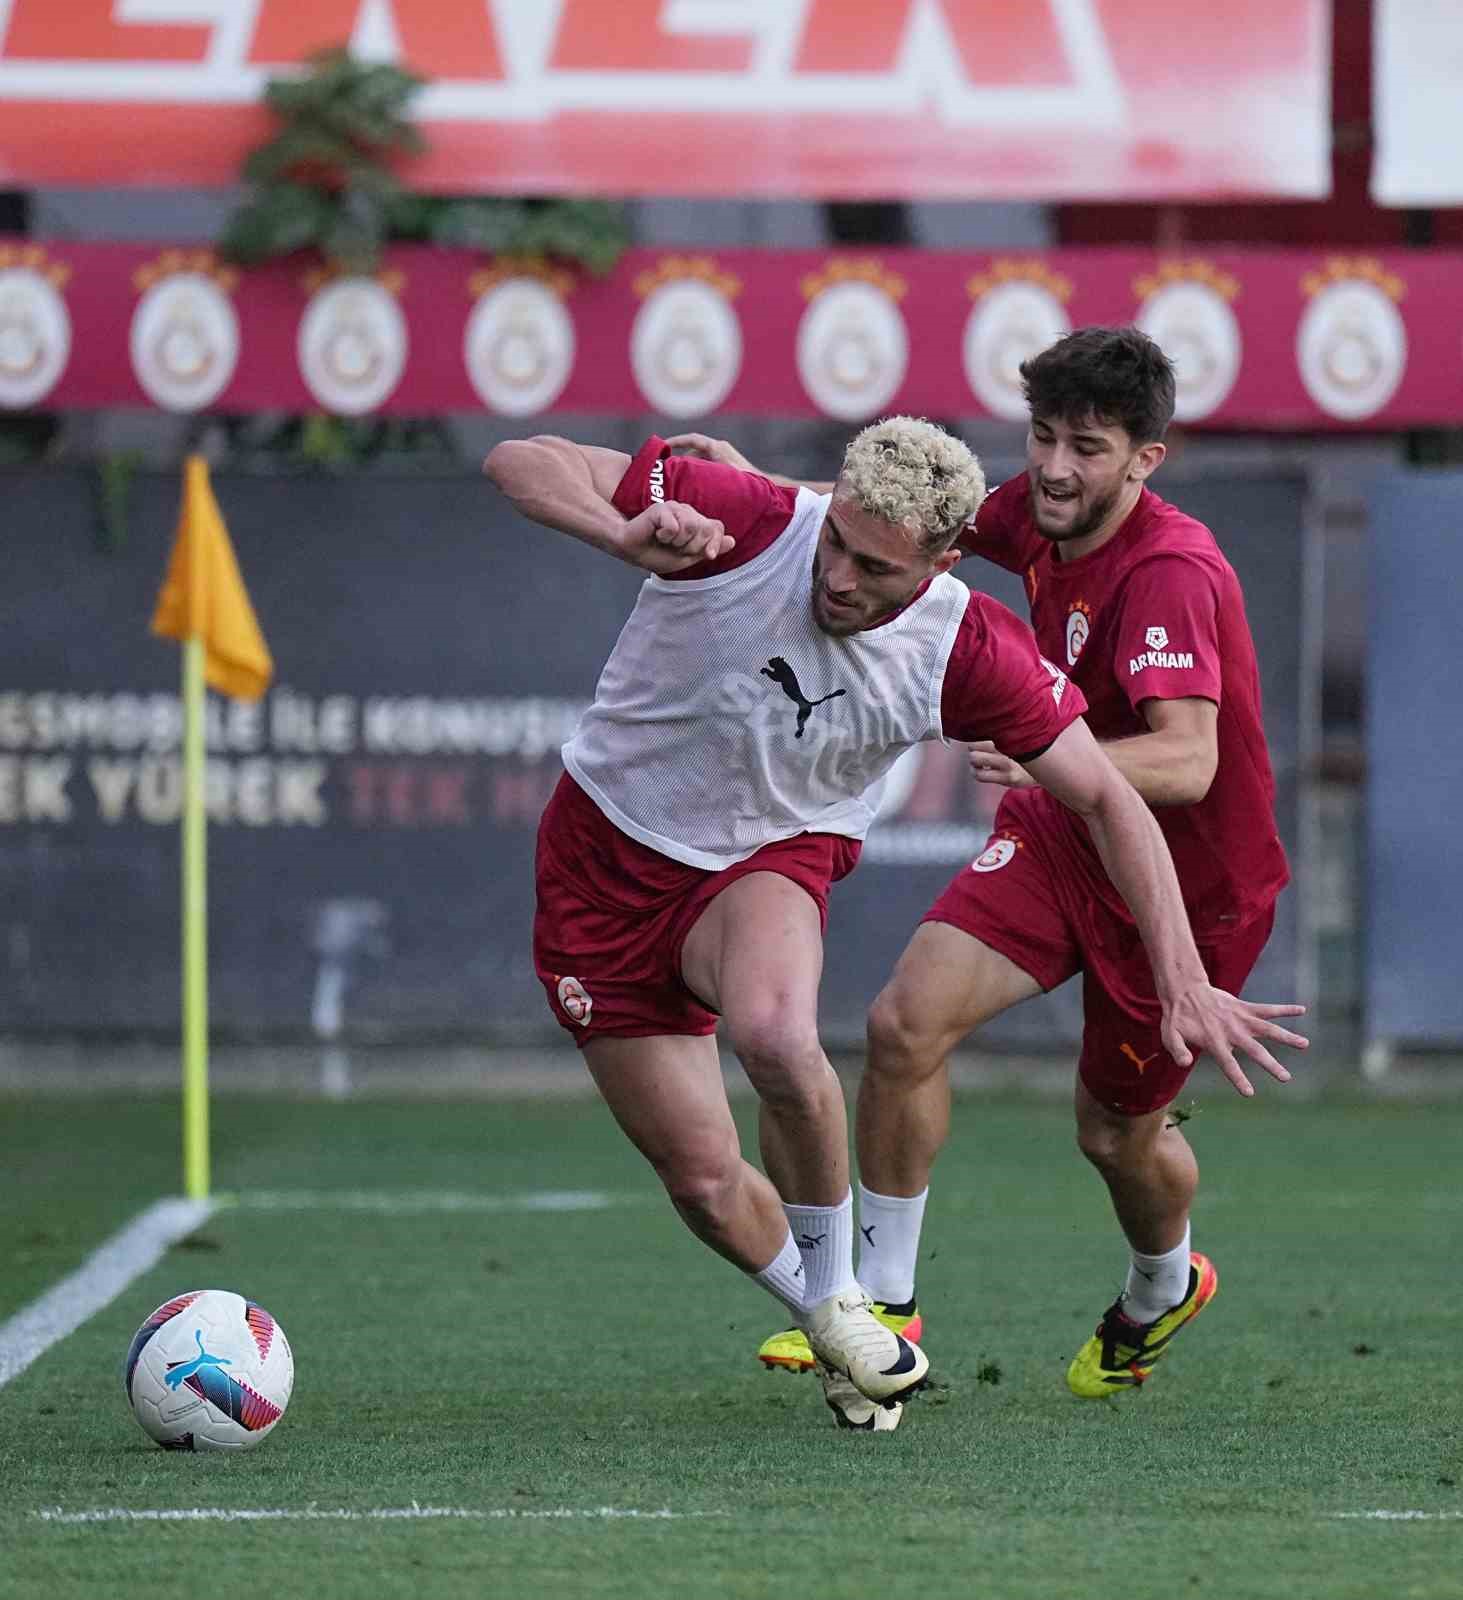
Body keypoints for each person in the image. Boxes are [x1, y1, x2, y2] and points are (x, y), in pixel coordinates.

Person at [484, 406, 1305, 1431]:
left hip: (768, 856)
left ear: (941, 561)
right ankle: (833, 1318)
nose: (837, 580)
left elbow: (1107, 795)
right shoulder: (746, 519)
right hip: (599, 865)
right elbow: (522, 460)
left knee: (780, 1037)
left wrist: (1181, 975)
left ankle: (867, 1301)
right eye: (837, 545)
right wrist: (618, 535)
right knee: (699, 1177)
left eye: (875, 569)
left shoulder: (963, 645)